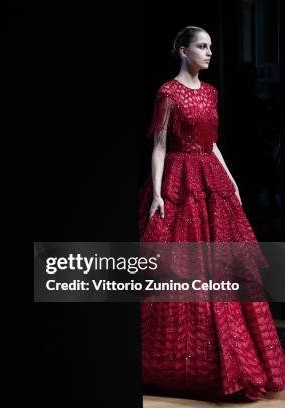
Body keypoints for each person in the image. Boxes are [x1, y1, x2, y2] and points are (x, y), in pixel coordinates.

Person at [139, 26, 285, 401]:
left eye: (211, 46)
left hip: (211, 177)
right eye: (201, 46)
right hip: (180, 180)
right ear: (183, 51)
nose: (209, 52)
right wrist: (157, 193)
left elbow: (213, 143)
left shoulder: (211, 93)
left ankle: (238, 360)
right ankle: (180, 365)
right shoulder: (167, 93)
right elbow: (159, 145)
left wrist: (232, 179)